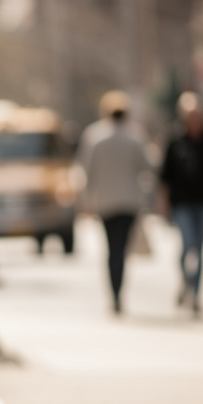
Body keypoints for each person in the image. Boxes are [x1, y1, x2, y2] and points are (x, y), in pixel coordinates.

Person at [80, 93, 152, 315]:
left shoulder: (94, 136)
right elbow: (147, 166)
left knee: (112, 250)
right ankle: (119, 293)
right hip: (129, 202)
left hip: (105, 202)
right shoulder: (135, 136)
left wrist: (86, 201)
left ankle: (114, 294)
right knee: (122, 251)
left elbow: (87, 171)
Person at [159, 92, 203, 315]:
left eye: (198, 115)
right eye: (191, 115)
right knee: (188, 246)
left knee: (199, 250)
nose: (195, 119)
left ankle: (196, 295)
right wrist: (163, 204)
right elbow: (164, 176)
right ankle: (186, 280)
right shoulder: (175, 140)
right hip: (181, 203)